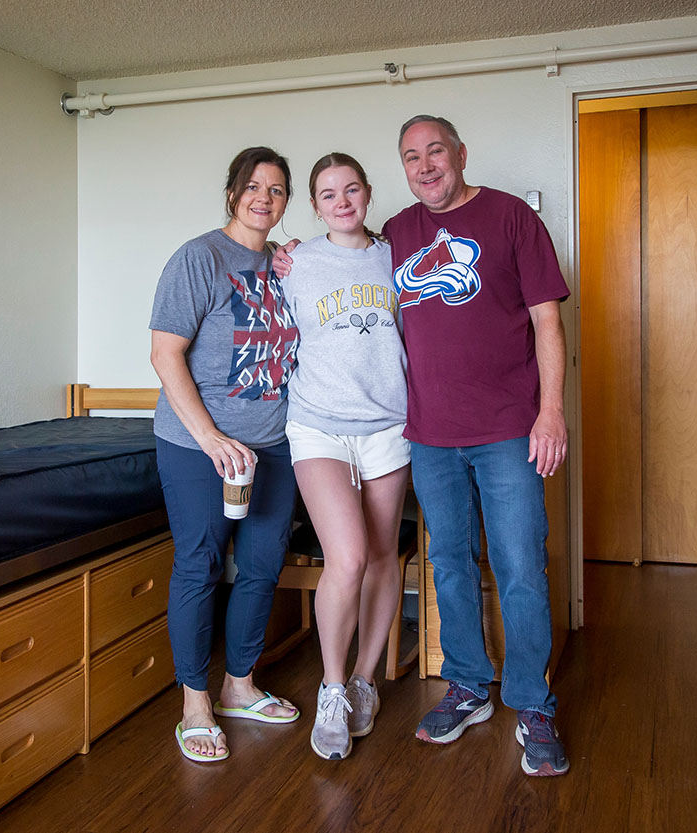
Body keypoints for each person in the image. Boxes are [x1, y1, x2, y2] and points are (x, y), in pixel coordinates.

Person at [275, 115, 571, 776]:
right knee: (450, 563)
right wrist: (284, 252)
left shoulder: (512, 217)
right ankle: (467, 684)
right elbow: (319, 276)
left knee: (521, 563)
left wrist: (551, 412)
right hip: (429, 434)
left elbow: (548, 319)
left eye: (436, 150)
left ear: (461, 153)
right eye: (413, 155)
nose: (426, 164)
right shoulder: (398, 234)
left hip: (506, 428)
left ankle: (531, 701)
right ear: (402, 171)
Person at [149, 146, 301, 764]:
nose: (264, 197)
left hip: (274, 445)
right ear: (233, 193)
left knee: (263, 565)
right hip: (196, 445)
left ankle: (239, 686)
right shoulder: (198, 257)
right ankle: (194, 702)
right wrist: (211, 438)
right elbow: (165, 355)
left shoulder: (288, 266)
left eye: (278, 189)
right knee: (200, 564)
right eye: (253, 187)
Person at [281, 153, 409, 761]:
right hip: (318, 427)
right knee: (349, 556)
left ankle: (364, 679)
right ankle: (331, 688)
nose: (341, 201)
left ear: (366, 193)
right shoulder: (295, 262)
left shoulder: (397, 255)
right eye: (328, 194)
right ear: (314, 205)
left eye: (351, 189)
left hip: (388, 425)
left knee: (384, 555)